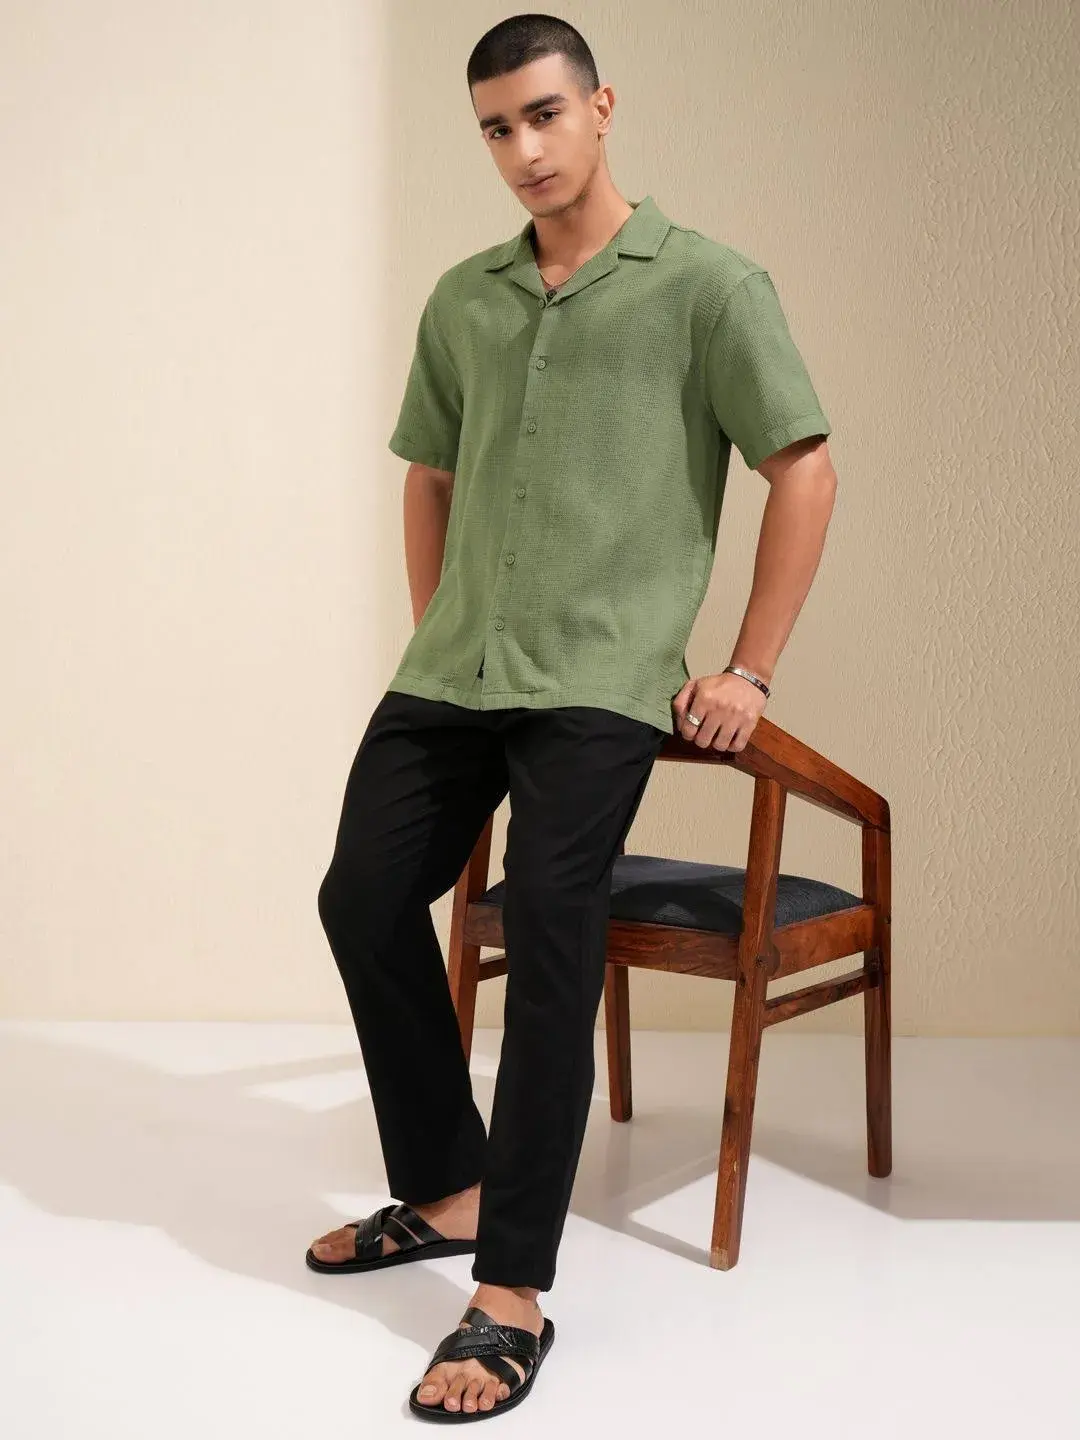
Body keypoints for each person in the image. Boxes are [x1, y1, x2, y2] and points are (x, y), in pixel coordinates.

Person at [309, 11, 837, 1424]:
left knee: (551, 919)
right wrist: (434, 626)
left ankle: (510, 1296)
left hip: (600, 677)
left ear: (602, 107)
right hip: (456, 667)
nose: (523, 149)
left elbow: (803, 466)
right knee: (363, 896)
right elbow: (429, 472)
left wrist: (748, 671)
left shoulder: (710, 287)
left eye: (544, 114)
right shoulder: (465, 298)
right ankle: (449, 1186)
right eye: (496, 128)